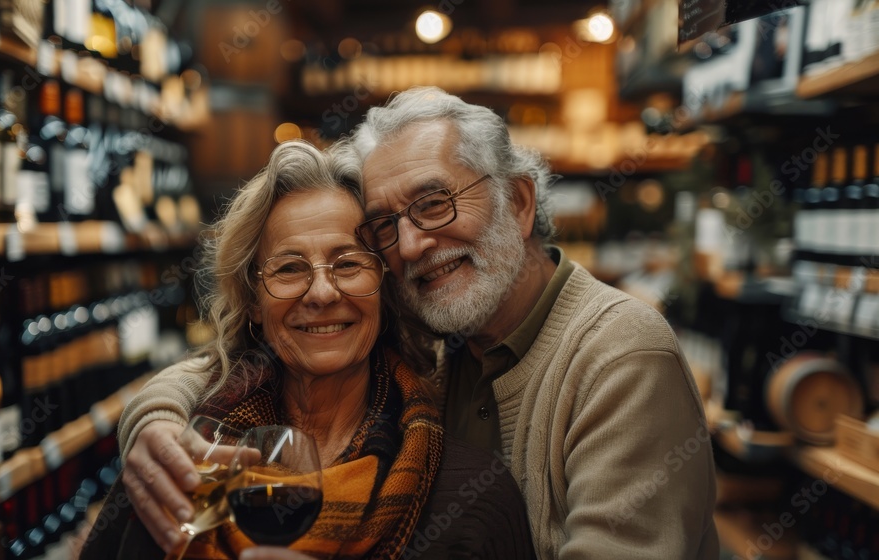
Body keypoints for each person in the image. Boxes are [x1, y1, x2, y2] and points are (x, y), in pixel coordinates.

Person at [119, 87, 719, 558]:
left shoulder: (620, 355)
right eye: (385, 223)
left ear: (518, 201)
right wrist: (155, 421)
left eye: (435, 203)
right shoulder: (440, 326)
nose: (410, 244)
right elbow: (252, 351)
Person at [79, 139, 534, 559]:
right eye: (290, 268)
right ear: (253, 302)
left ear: (384, 287)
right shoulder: (173, 462)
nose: (321, 293)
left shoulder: (473, 498)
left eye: (349, 263)